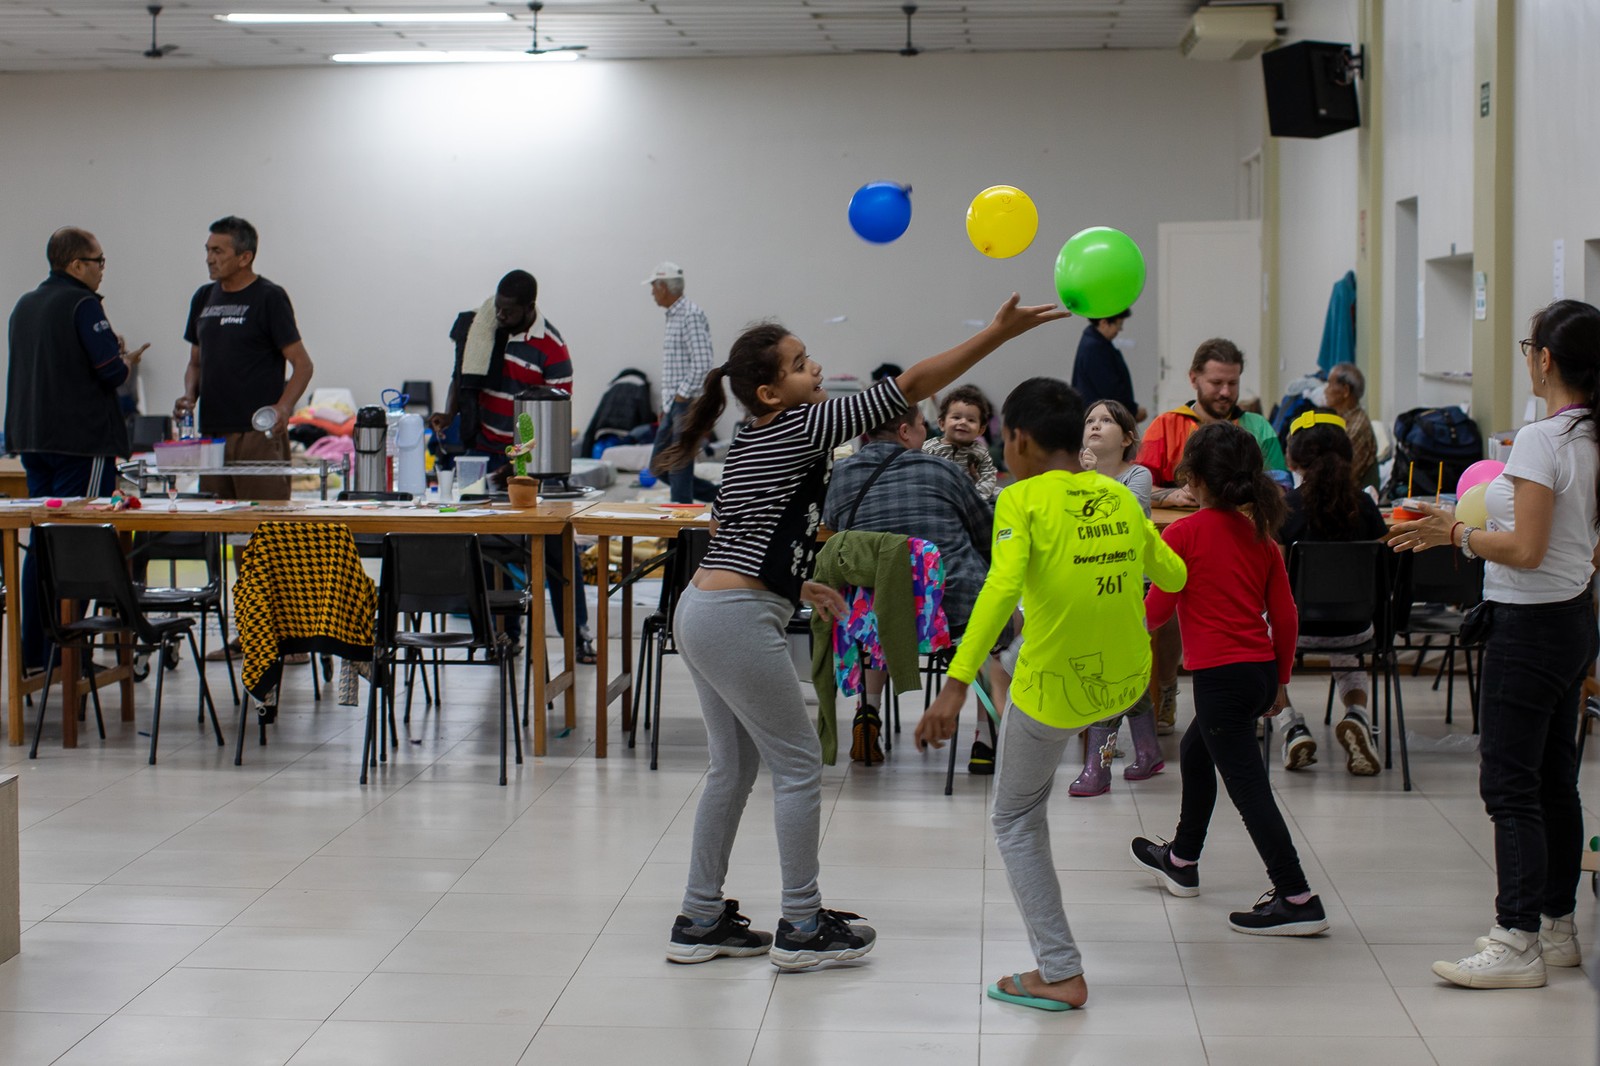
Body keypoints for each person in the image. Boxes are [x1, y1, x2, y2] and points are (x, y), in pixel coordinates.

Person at [659, 295, 1067, 970]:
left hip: (704, 610)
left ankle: (700, 917)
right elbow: (909, 387)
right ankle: (801, 924)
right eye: (798, 363)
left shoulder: (756, 436)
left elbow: (732, 529)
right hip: (732, 618)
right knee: (794, 766)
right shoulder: (802, 425)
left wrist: (798, 584)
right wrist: (997, 332)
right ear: (770, 392)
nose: (812, 366)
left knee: (733, 768)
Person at [913, 377, 1186, 1011]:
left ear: (1019, 441)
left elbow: (999, 590)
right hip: (1123, 683)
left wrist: (955, 686)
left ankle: (1059, 971)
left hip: (1056, 690)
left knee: (1014, 818)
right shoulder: (1121, 496)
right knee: (1027, 778)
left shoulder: (1021, 500)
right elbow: (1172, 573)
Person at [1389, 299, 1600, 989]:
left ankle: (1516, 941)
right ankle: (1555, 925)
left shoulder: (1544, 437)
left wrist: (1451, 535)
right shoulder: (1589, 435)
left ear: (1544, 359)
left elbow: (1526, 549)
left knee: (1510, 786)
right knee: (1550, 783)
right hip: (1570, 621)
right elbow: (1565, 543)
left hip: (1531, 625)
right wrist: (1453, 516)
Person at [1131, 421, 1329, 937]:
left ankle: (1296, 895)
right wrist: (1281, 683)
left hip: (1221, 679)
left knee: (1249, 789)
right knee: (1198, 754)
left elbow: (1155, 615)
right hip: (1260, 672)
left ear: (1193, 480)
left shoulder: (1183, 534)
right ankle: (1181, 858)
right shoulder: (1261, 536)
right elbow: (1285, 616)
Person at [432, 270, 593, 663]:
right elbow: (462, 376)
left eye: (508, 311)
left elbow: (555, 417)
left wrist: (526, 466)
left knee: (556, 545)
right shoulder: (484, 328)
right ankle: (504, 636)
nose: (499, 316)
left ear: (530, 308)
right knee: (489, 545)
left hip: (535, 459)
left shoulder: (551, 349)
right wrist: (449, 414)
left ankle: (577, 634)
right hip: (486, 448)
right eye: (498, 308)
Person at [6, 226, 147, 671]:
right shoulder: (83, 304)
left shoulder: (24, 306)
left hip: (33, 439)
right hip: (80, 442)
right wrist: (122, 356)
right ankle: (67, 655)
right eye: (99, 261)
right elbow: (110, 372)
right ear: (76, 265)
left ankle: (36, 653)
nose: (103, 270)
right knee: (80, 546)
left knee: (43, 546)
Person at [822, 402, 992, 763]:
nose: (925, 433)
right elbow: (985, 532)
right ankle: (985, 740)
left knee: (886, 591)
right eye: (921, 426)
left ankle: (867, 711)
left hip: (874, 615)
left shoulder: (841, 474)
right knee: (990, 620)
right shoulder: (942, 469)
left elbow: (836, 530)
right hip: (951, 609)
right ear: (904, 432)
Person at [1138, 338, 1287, 736]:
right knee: (1168, 610)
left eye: (1233, 384)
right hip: (1181, 546)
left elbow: (1279, 488)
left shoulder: (1257, 427)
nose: (1225, 392)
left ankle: (1255, 702)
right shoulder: (1165, 426)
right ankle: (1167, 688)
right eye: (1216, 382)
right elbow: (1136, 485)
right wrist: (1173, 494)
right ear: (1193, 379)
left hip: (1242, 543)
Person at [1274, 411, 1386, 775]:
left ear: (1293, 458)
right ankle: (1357, 714)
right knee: (1348, 656)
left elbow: (1273, 578)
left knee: (1261, 636)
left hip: (1297, 631)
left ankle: (1291, 726)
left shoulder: (1286, 508)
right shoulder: (1366, 506)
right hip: (1357, 629)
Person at [176, 216, 313, 500]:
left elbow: (302, 365)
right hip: (213, 436)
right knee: (215, 526)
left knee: (263, 525)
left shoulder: (269, 298)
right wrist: (189, 396)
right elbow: (195, 363)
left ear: (244, 257)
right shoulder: (203, 297)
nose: (209, 259)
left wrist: (283, 408)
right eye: (207, 250)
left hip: (257, 435)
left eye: (218, 251)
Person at [1068, 399, 1163, 795]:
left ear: (1126, 438)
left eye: (1106, 421)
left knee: (1110, 672)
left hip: (1127, 588)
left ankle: (1098, 765)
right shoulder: (1076, 477)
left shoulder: (1137, 475)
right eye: (1090, 420)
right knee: (1121, 673)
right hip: (1088, 586)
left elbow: (1125, 518)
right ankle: (1149, 750)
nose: (1095, 426)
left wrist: (1091, 482)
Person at [645, 262, 719, 503]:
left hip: (686, 402)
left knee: (678, 465)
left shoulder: (690, 314)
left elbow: (703, 361)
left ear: (664, 287)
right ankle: (720, 497)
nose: (652, 292)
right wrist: (667, 404)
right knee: (659, 465)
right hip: (676, 403)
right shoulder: (675, 315)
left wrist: (681, 396)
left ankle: (681, 524)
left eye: (654, 287)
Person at [922, 384, 1000, 502]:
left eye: (971, 420)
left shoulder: (980, 452)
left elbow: (988, 477)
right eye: (956, 417)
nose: (963, 422)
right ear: (942, 423)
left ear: (981, 430)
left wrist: (979, 497)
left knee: (1000, 493)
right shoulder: (929, 448)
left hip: (971, 499)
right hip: (938, 497)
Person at [1070, 310, 1146, 421]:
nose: (1120, 329)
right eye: (1119, 324)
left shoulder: (1095, 341)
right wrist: (1132, 411)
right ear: (1104, 323)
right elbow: (1110, 388)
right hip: (1101, 418)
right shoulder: (1095, 347)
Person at [1322, 361, 1378, 489]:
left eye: (1330, 384)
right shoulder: (1339, 419)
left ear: (1345, 391)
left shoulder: (1357, 427)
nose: (1326, 390)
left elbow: (1339, 475)